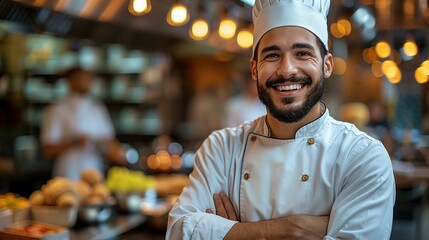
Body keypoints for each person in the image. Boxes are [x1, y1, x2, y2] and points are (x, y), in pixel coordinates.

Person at [166, 0, 396, 239]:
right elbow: (179, 230)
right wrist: (292, 229)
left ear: (327, 65)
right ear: (254, 69)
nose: (287, 70)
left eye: (302, 53)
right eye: (272, 55)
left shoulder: (361, 156)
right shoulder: (221, 149)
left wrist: (232, 233)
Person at [40, 67, 126, 180]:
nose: (88, 81)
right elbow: (47, 150)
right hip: (67, 174)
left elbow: (109, 140)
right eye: (82, 78)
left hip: (94, 173)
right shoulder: (56, 110)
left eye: (89, 78)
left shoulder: (97, 109)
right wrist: (74, 141)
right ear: (70, 81)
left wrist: (117, 152)